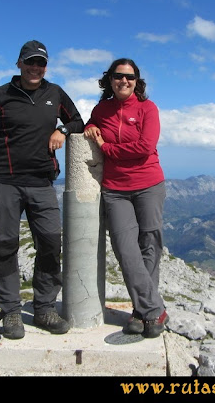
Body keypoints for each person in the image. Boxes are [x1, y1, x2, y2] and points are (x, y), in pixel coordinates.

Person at [0, 40, 84, 339]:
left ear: (46, 66)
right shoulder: (0, 96)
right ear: (19, 63)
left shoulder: (55, 93)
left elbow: (77, 121)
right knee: (5, 245)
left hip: (42, 183)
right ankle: (10, 311)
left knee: (50, 242)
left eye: (40, 63)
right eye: (30, 62)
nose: (35, 68)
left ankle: (44, 308)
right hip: (6, 183)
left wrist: (60, 130)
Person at [84, 58, 168, 338]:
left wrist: (107, 147)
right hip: (115, 189)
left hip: (149, 184)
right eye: (119, 76)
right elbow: (91, 126)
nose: (124, 81)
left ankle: (140, 310)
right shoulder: (101, 109)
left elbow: (145, 147)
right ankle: (155, 310)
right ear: (110, 79)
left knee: (149, 246)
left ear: (137, 81)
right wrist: (89, 128)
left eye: (130, 77)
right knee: (125, 248)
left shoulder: (148, 108)